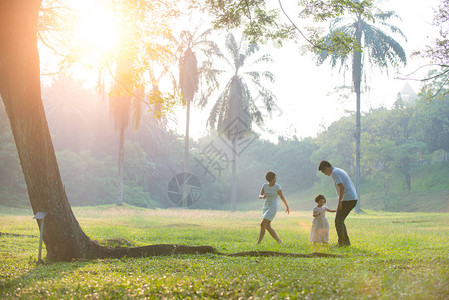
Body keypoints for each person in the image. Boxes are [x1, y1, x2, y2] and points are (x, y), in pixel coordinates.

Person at [318, 160, 358, 246]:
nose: (325, 174)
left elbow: (342, 187)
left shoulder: (335, 173)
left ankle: (342, 242)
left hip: (348, 199)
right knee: (340, 220)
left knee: (338, 221)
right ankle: (345, 242)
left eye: (324, 171)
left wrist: (339, 202)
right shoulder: (338, 170)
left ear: (326, 168)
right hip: (352, 198)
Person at [257, 171, 290, 244]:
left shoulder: (277, 187)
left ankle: (258, 242)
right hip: (266, 206)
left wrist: (287, 206)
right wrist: (263, 196)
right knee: (267, 226)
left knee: (263, 224)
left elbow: (282, 196)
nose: (275, 180)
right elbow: (260, 195)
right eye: (273, 179)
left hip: (273, 207)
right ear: (269, 179)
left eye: (275, 178)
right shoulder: (265, 186)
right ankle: (279, 241)